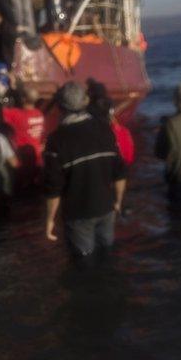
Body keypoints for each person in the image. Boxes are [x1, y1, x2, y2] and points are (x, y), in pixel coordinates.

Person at [43, 82, 127, 261]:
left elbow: (54, 187)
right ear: (85, 101)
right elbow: (119, 171)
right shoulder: (105, 129)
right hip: (106, 207)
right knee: (107, 255)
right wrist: (118, 201)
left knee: (84, 261)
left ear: (60, 107)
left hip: (79, 213)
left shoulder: (56, 140)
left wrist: (50, 219)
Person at [1, 83, 48, 188]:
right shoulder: (39, 114)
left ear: (23, 99)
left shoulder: (16, 114)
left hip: (21, 161)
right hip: (37, 159)